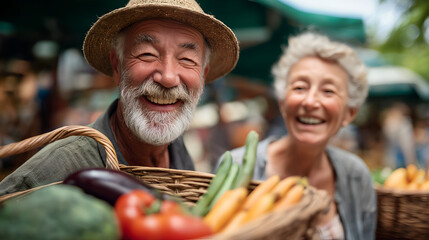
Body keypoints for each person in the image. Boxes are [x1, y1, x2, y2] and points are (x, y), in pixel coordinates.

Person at [0, 0, 239, 196]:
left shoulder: (176, 149)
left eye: (187, 60)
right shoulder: (64, 165)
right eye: (147, 54)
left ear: (203, 75)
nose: (167, 77)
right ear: (117, 67)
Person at [224, 32, 376, 240]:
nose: (310, 101)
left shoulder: (356, 175)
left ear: (349, 113)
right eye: (300, 87)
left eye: (328, 91)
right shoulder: (236, 166)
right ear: (283, 103)